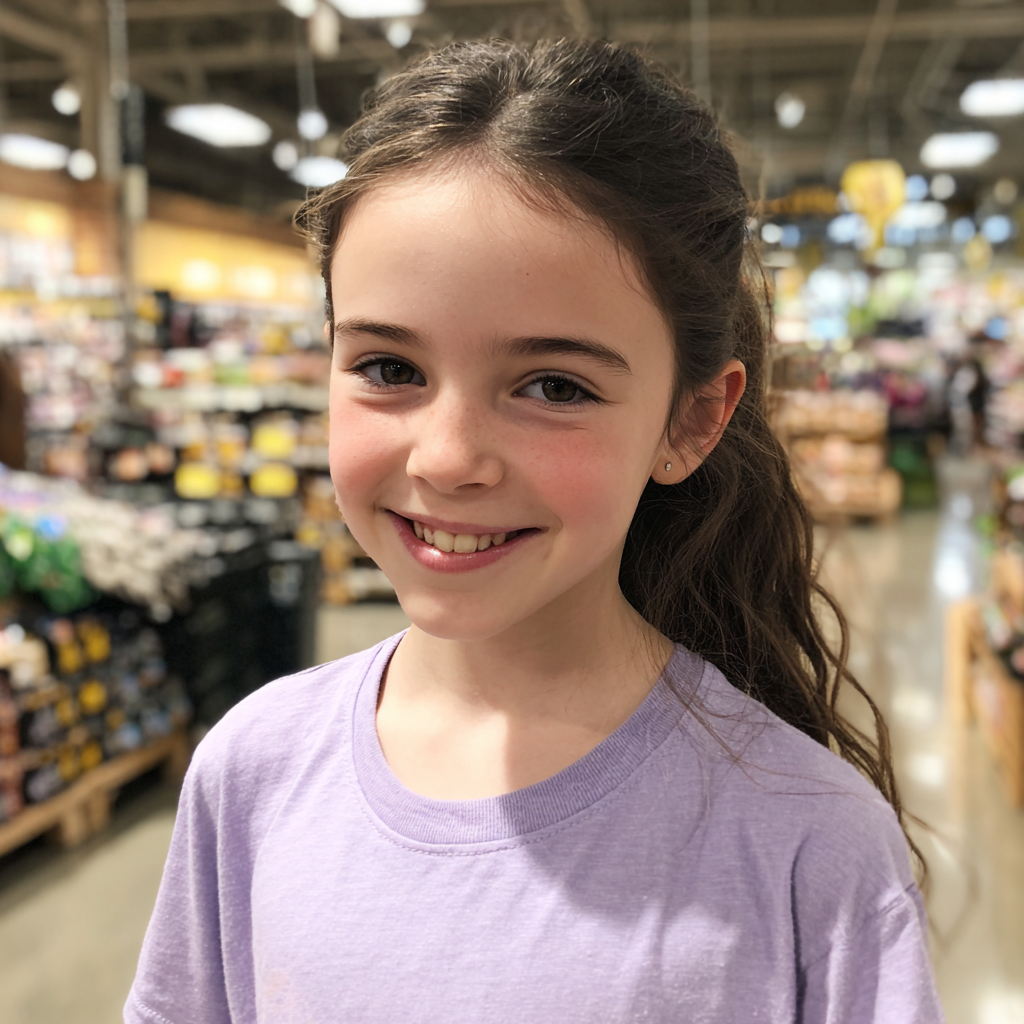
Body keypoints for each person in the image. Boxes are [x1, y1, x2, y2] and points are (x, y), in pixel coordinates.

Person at [126, 40, 944, 1023]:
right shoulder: (253, 769)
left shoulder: (807, 845)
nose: (445, 457)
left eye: (554, 385)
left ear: (689, 421)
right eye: (389, 368)